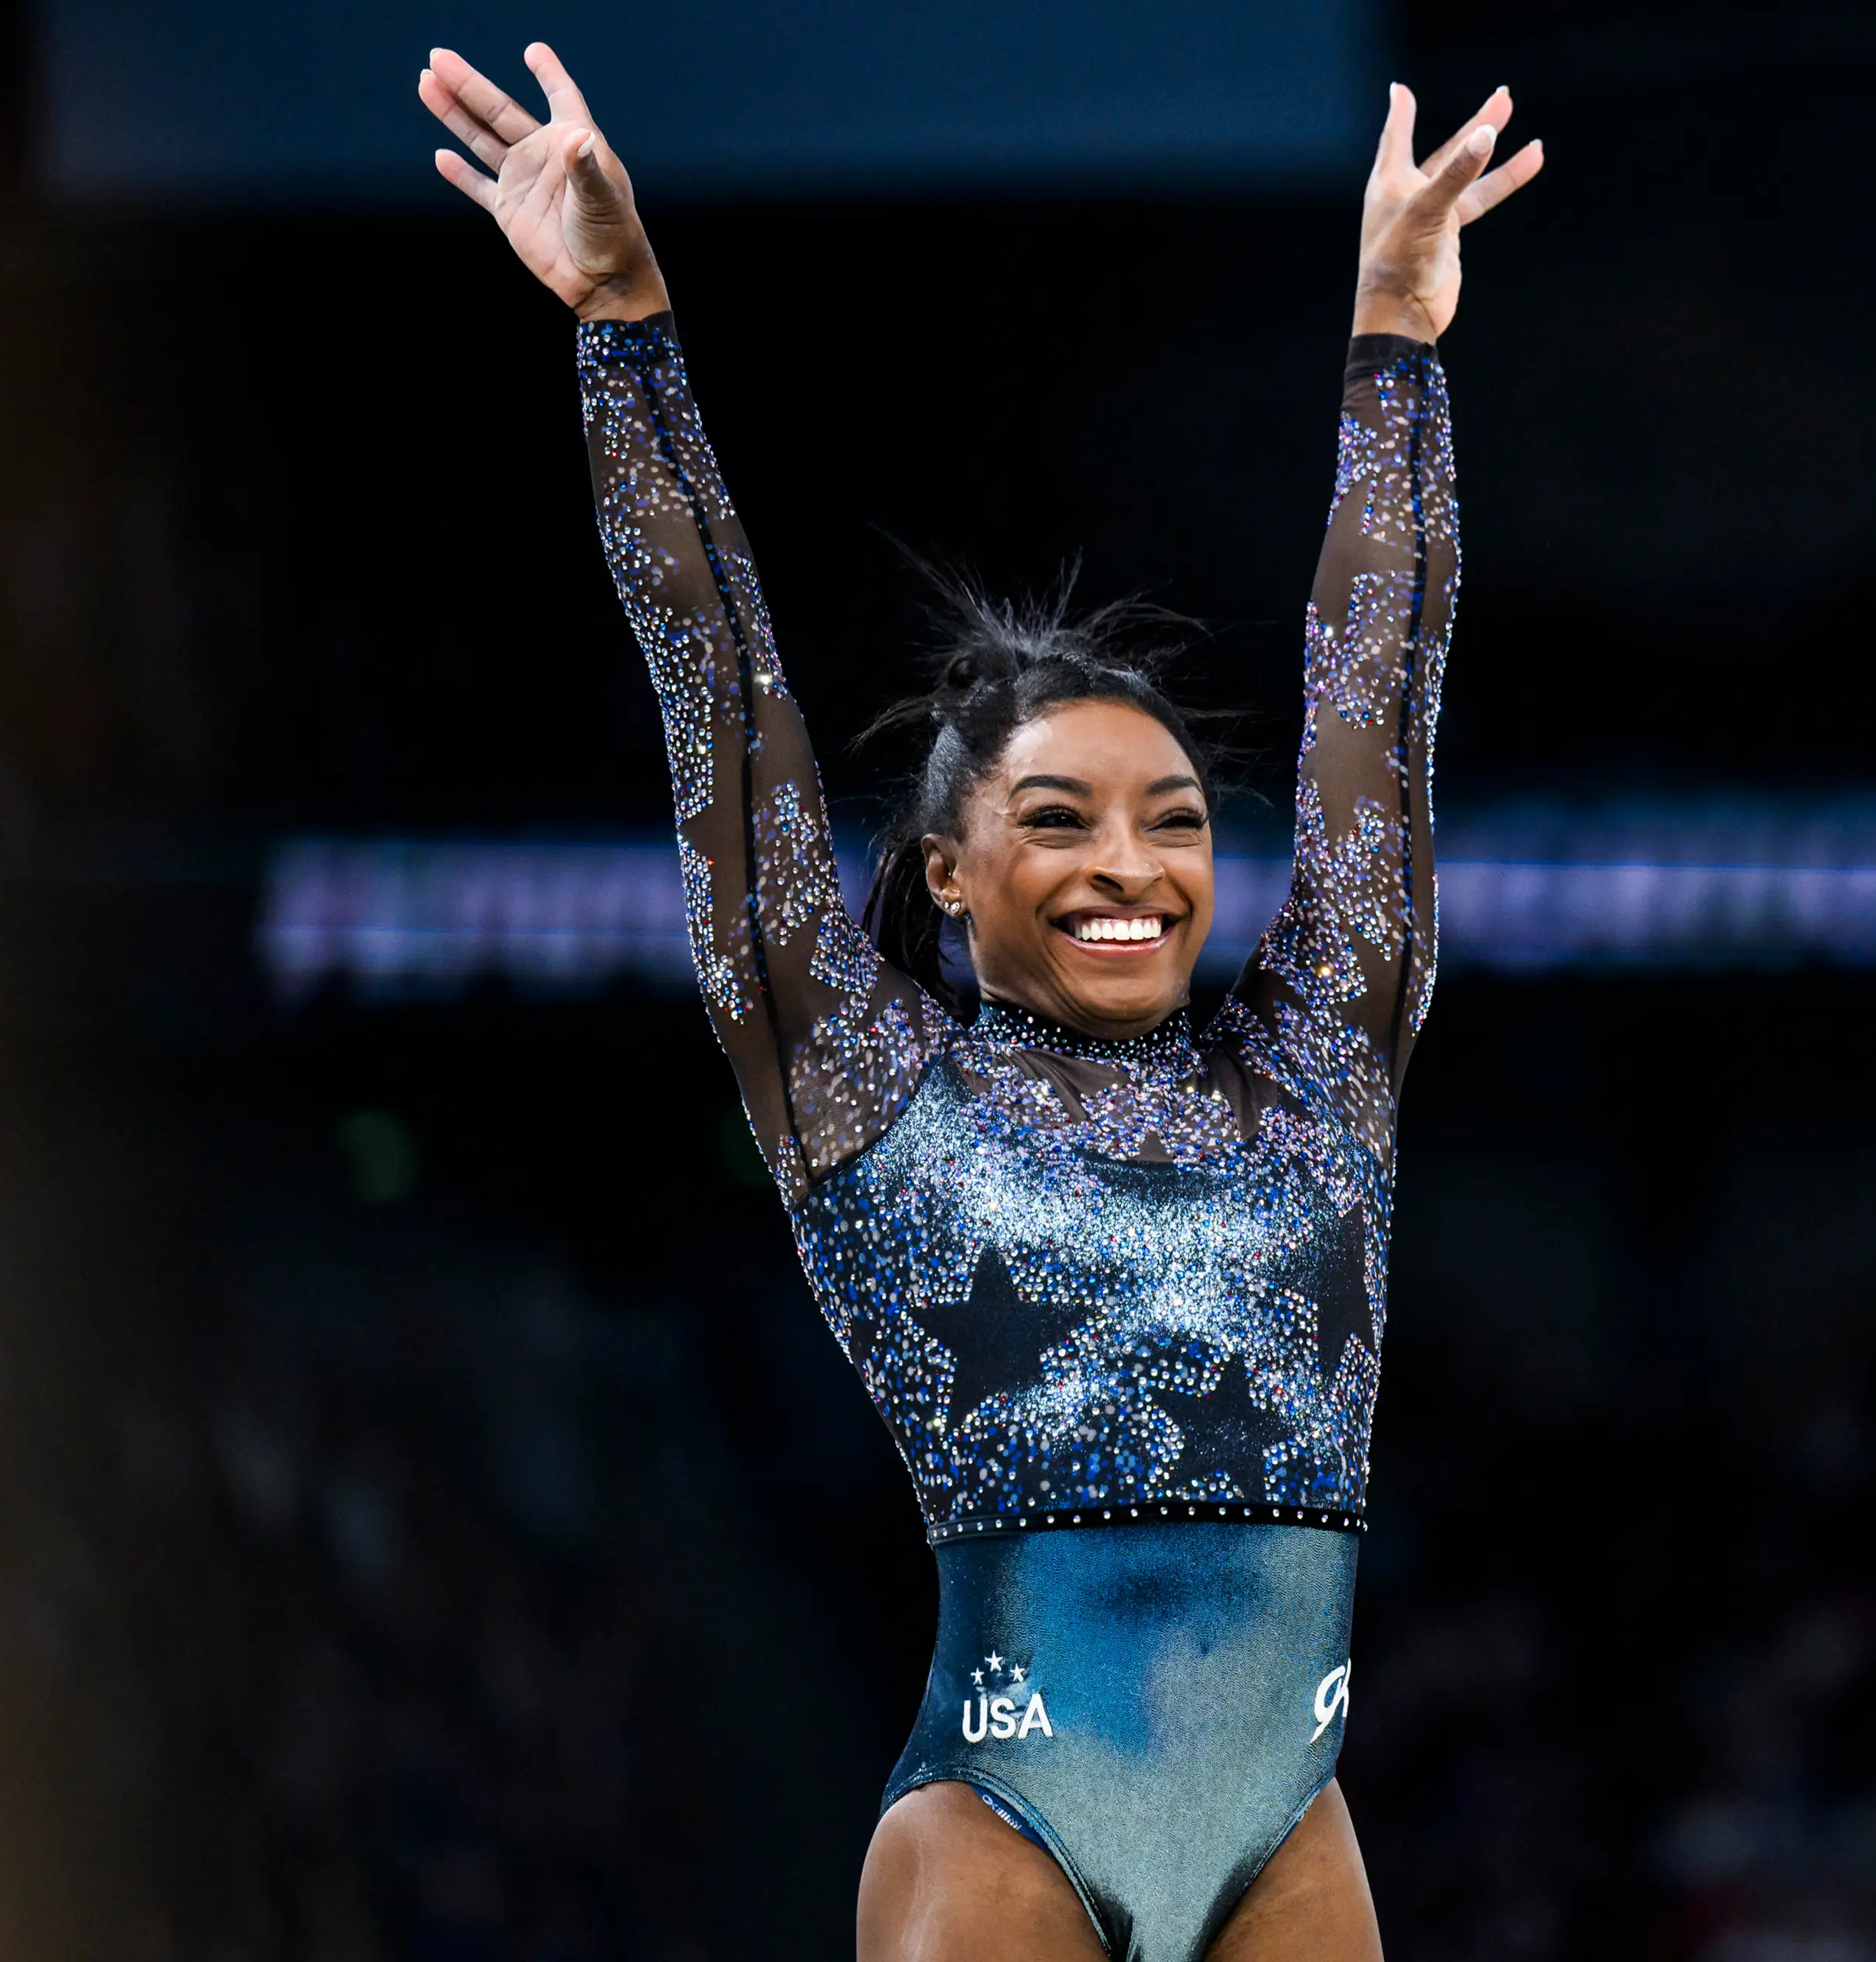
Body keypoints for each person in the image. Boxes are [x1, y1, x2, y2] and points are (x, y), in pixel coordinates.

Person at [416, 41, 1541, 1962]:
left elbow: (1383, 686)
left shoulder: (1319, 1060)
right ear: (949, 869)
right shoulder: (867, 1077)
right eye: (1062, 820)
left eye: (1177, 820)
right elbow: (717, 691)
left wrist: (1395, 345)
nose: (1133, 863)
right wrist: (623, 325)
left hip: (1291, 1826)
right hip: (1005, 1813)